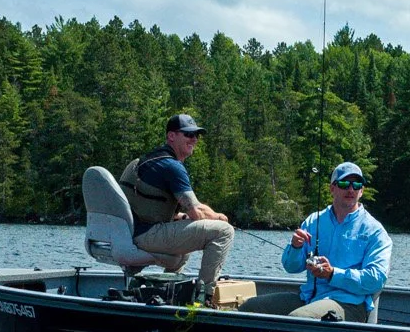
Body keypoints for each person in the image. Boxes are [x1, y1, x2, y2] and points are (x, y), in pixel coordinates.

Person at [244, 162, 391, 321]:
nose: (350, 189)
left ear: (361, 191)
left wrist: (332, 273)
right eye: (344, 184)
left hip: (350, 304)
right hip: (308, 297)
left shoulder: (375, 231)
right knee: (248, 309)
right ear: (332, 188)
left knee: (299, 318)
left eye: (356, 185)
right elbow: (291, 267)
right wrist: (295, 247)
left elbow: (376, 279)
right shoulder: (313, 221)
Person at [118, 114, 236, 289]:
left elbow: (152, 208)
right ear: (171, 136)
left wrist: (183, 217)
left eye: (196, 135)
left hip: (132, 232)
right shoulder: (171, 166)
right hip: (144, 234)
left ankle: (166, 290)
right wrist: (219, 217)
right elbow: (197, 212)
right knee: (224, 231)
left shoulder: (150, 160)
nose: (194, 139)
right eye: (188, 134)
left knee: (185, 239)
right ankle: (205, 293)